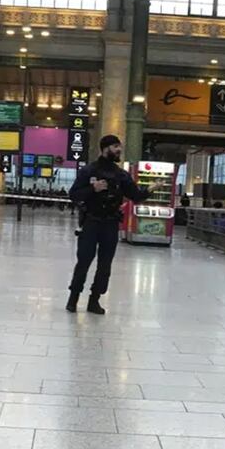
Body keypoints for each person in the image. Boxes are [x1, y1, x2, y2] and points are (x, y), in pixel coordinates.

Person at [66, 135, 161, 315]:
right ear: (105, 148)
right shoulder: (88, 171)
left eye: (120, 147)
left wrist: (150, 189)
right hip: (91, 221)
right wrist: (92, 189)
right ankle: (73, 298)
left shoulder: (121, 175)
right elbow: (74, 195)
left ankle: (94, 300)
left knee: (105, 264)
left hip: (110, 223)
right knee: (84, 261)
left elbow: (136, 195)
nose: (119, 150)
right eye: (116, 146)